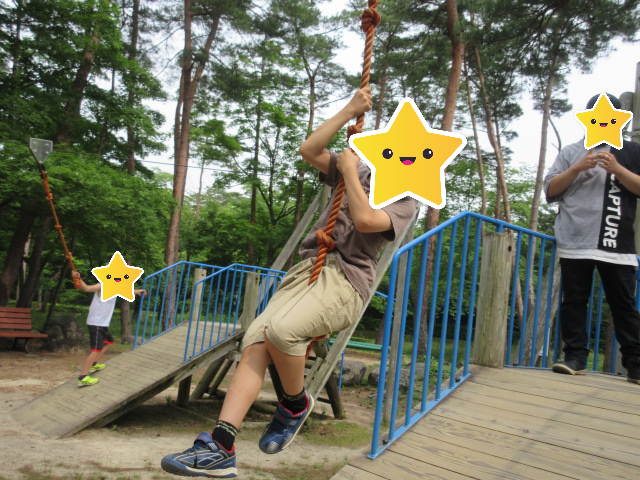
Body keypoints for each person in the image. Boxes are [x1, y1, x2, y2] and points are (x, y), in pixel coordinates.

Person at [160, 87, 417, 478]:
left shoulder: (404, 198)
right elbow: (310, 150)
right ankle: (221, 447)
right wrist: (348, 110)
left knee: (283, 332)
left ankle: (295, 403)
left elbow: (367, 222)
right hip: (306, 270)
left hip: (345, 280)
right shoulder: (362, 169)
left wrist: (349, 172)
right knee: (254, 342)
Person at [543, 92, 640, 382]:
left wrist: (617, 169)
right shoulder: (572, 151)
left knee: (623, 305)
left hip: (617, 243)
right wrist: (577, 167)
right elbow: (550, 190)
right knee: (574, 301)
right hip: (575, 240)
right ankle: (575, 358)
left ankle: (636, 364)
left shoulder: (632, 151)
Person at [73, 271, 146, 387]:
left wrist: (137, 291)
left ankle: (94, 364)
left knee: (108, 341)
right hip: (96, 323)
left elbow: (125, 291)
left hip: (103, 324)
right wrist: (78, 278)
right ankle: (83, 377)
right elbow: (87, 288)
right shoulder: (102, 285)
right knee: (96, 349)